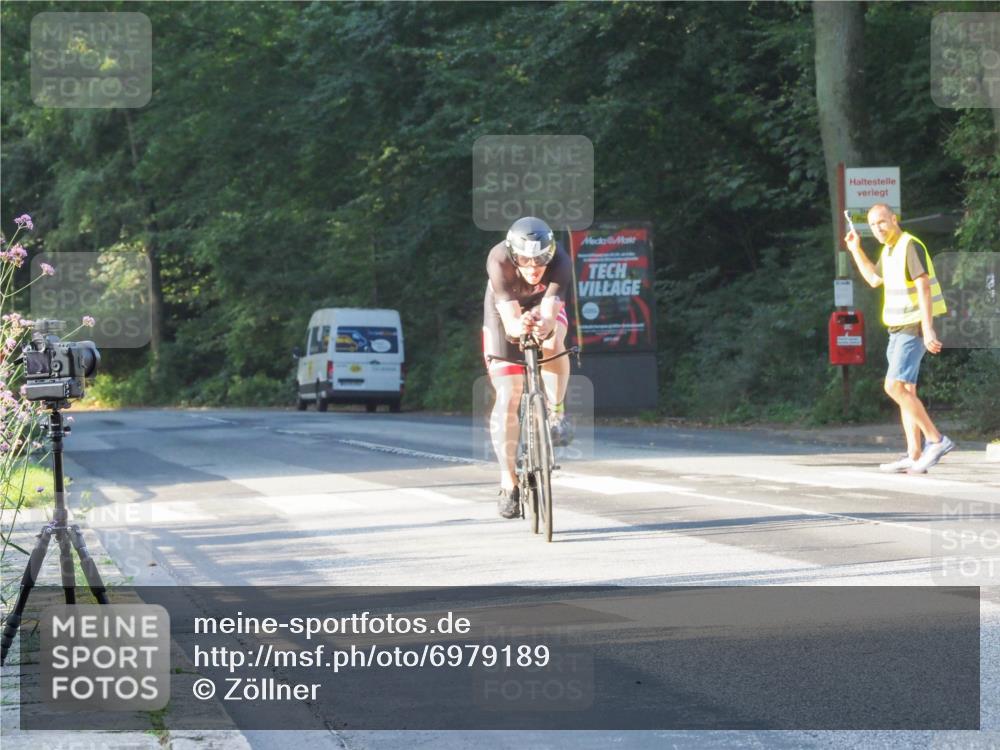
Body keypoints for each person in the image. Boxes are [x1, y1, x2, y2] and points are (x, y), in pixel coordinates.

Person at [844, 203, 953, 474]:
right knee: (906, 390)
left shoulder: (908, 245)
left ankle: (936, 441)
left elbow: (923, 286)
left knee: (893, 387)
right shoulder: (889, 249)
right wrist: (856, 249)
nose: (877, 228)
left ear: (894, 219)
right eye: (872, 225)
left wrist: (927, 329)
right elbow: (873, 279)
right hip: (897, 326)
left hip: (913, 325)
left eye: (882, 222)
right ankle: (915, 454)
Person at [483, 216, 573, 519]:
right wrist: (519, 324)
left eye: (540, 261)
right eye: (524, 260)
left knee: (552, 340)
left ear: (550, 254)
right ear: (513, 254)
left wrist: (541, 324)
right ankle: (508, 482)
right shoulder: (498, 260)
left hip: (541, 306)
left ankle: (556, 412)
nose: (533, 267)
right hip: (504, 311)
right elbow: (508, 323)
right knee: (509, 394)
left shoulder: (561, 260)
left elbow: (549, 316)